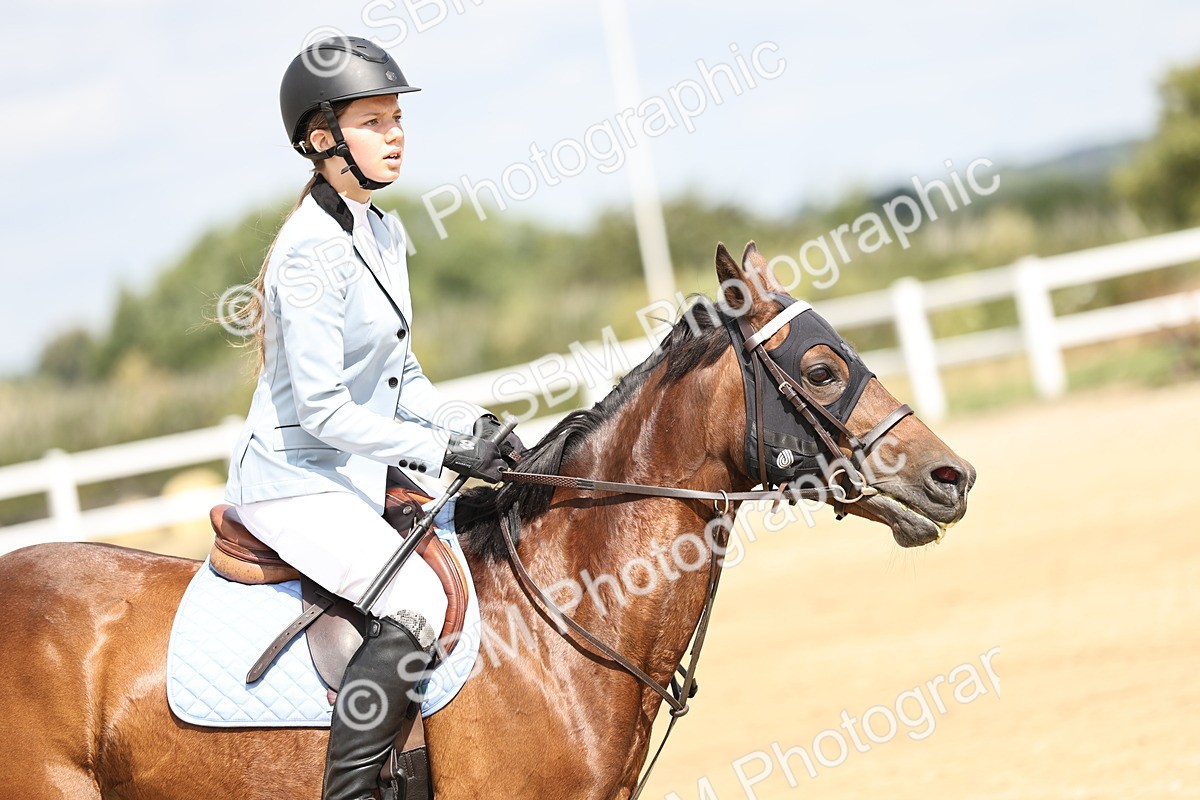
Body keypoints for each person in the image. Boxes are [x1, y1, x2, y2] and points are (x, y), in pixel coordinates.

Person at [222, 35, 521, 800]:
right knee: (415, 600)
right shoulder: (307, 253)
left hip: (353, 468)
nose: (396, 135)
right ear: (323, 140)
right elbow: (324, 411)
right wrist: (441, 446)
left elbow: (403, 376)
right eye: (376, 121)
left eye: (397, 119)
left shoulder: (382, 231)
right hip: (294, 480)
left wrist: (473, 424)